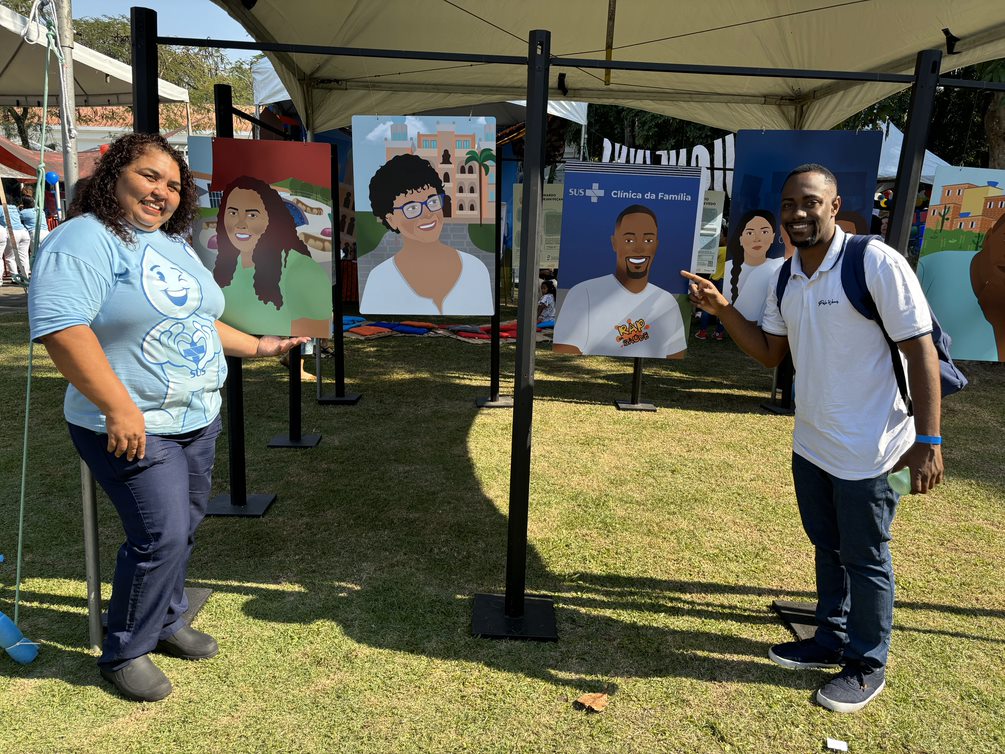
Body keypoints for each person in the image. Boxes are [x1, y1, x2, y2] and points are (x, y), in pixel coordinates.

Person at [28, 133, 308, 703]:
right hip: (132, 423)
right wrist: (118, 408)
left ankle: (167, 616)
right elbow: (62, 330)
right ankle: (126, 648)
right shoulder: (82, 239)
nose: (162, 192)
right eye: (149, 176)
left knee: (186, 523)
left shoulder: (170, 244)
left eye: (174, 185)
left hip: (196, 415)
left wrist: (258, 347)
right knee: (160, 534)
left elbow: (201, 321)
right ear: (113, 177)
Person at [682, 163, 943, 714]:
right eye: (789, 205)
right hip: (812, 442)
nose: (797, 214)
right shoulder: (785, 274)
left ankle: (867, 663)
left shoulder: (872, 261)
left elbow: (920, 348)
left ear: (834, 204)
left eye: (810, 203)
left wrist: (929, 439)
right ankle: (829, 637)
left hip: (870, 449)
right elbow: (772, 353)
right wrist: (725, 310)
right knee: (826, 545)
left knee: (866, 556)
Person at [361, 153, 492, 316]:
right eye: (412, 208)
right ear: (391, 219)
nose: (427, 213)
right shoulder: (379, 279)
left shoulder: (475, 269)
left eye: (432, 201)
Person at [553, 204, 686, 359]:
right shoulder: (584, 293)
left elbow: (675, 353)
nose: (639, 248)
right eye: (629, 240)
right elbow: (566, 348)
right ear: (614, 243)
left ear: (656, 245)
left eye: (648, 239)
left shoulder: (667, 301)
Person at [212, 176, 331, 338]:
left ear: (271, 219)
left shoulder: (302, 269)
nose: (240, 223)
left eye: (252, 215)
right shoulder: (225, 267)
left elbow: (312, 329)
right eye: (232, 212)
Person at [723, 209, 785, 325]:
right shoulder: (726, 267)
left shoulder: (779, 267)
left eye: (764, 232)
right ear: (740, 239)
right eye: (750, 233)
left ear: (773, 236)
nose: (757, 239)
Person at [695, 228, 727, 341]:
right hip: (726, 282)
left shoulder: (718, 250)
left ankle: (703, 332)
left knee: (707, 306)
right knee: (723, 308)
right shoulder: (732, 251)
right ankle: (719, 333)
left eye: (721, 236)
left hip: (714, 281)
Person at [1, 179, 31, 279]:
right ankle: (25, 275)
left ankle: (15, 277)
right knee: (24, 256)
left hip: (12, 232)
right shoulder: (14, 207)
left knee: (10, 257)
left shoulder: (1, 208)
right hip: (23, 232)